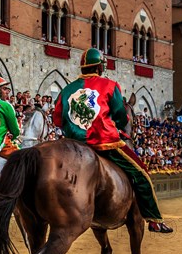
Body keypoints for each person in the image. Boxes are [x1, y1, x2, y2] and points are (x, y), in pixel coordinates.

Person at [53, 48, 173, 233]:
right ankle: (154, 219)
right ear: (100, 67)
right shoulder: (109, 85)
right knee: (141, 174)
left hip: (74, 147)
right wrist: (116, 123)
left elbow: (57, 120)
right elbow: (120, 116)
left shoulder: (66, 90)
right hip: (104, 142)